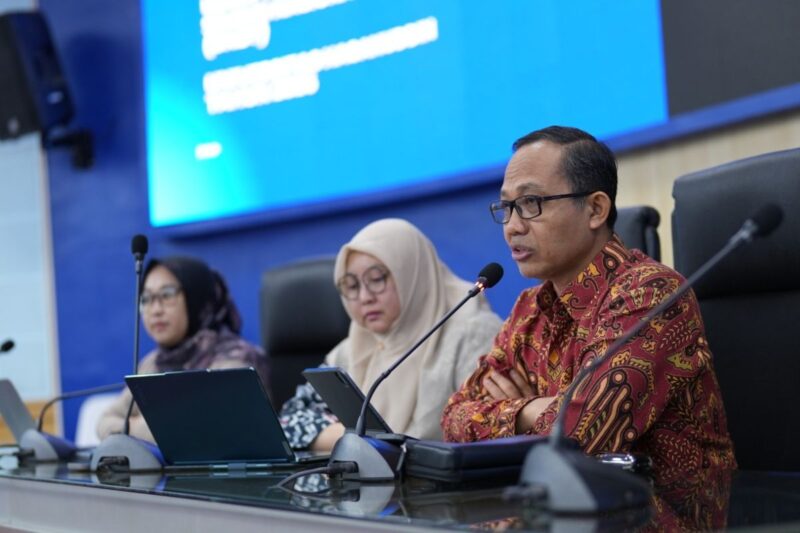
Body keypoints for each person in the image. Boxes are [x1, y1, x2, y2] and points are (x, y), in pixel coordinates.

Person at [441, 126, 736, 489]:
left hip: (660, 511)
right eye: (507, 207)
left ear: (595, 209)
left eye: (531, 203)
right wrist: (531, 410)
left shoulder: (651, 295)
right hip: (558, 505)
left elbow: (578, 437)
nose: (512, 227)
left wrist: (514, 415)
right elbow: (453, 419)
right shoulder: (528, 309)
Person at [280, 218, 503, 451]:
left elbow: (485, 429)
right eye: (352, 286)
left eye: (377, 280)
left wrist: (359, 442)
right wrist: (366, 440)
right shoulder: (351, 350)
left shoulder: (473, 334)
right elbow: (290, 420)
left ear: (413, 275)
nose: (365, 297)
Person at [96, 256, 269, 442]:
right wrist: (145, 428)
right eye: (146, 299)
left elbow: (200, 433)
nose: (155, 310)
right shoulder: (152, 364)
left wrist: (131, 427)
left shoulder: (236, 360)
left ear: (197, 299)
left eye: (167, 295)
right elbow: (104, 422)